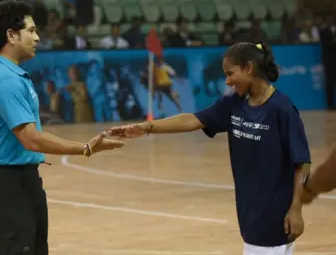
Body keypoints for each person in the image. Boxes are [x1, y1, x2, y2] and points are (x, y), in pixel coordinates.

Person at [109, 42, 311, 255]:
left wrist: (296, 208)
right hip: (249, 212)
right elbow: (192, 120)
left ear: (249, 68)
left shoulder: (282, 109)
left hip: (274, 215)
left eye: (230, 73)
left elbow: (303, 162)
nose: (228, 80)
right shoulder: (233, 104)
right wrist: (146, 127)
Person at [0, 0, 124, 255]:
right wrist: (85, 148)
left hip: (22, 177)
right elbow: (31, 139)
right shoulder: (4, 79)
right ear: (11, 35)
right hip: (6, 181)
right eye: (31, 31)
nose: (37, 37)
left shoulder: (5, 73)